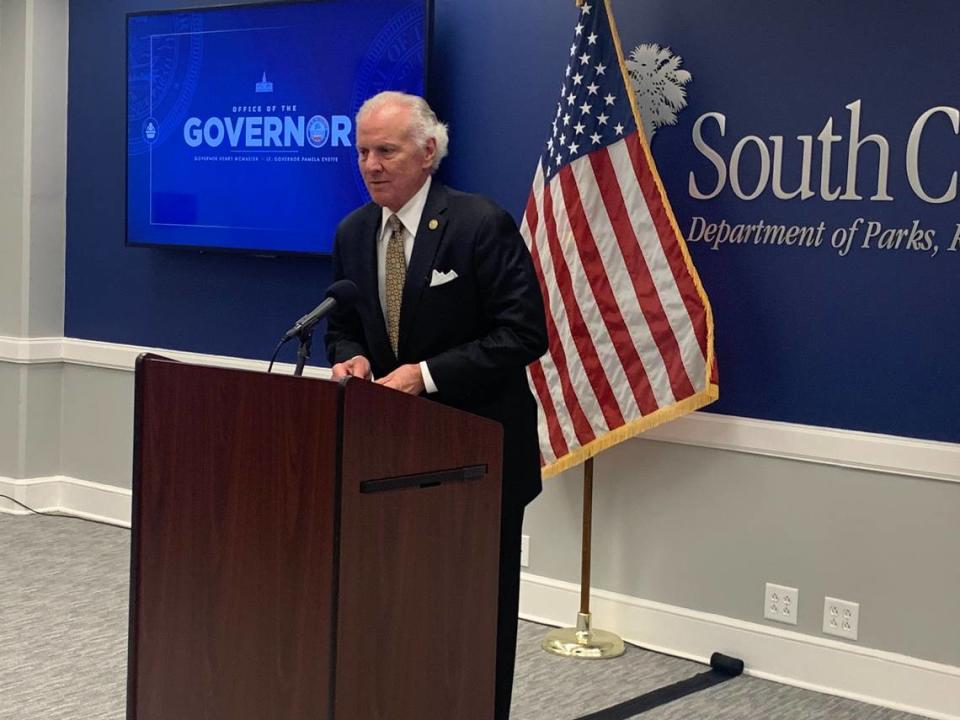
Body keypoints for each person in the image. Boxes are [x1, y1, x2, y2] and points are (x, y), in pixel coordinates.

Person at [324, 90, 547, 720]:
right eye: (362, 151)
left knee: (476, 609)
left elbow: (525, 333)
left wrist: (425, 375)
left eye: (385, 150)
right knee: (399, 603)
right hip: (385, 456)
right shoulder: (353, 231)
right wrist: (352, 357)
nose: (371, 164)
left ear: (427, 152)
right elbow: (346, 323)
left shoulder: (479, 223)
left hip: (478, 456)